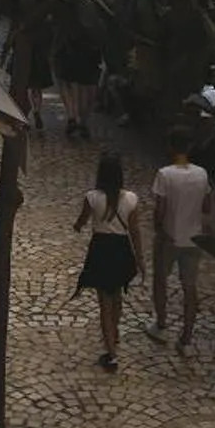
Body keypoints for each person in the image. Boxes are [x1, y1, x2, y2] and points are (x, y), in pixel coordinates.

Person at [145, 127, 215, 352]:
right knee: (190, 287)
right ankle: (186, 337)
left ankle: (161, 324)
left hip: (170, 237)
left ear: (170, 147)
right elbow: (207, 206)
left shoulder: (165, 174)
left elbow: (159, 210)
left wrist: (159, 230)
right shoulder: (201, 174)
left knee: (161, 280)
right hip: (194, 239)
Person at [71, 150, 141, 371]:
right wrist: (141, 260)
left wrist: (78, 226)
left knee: (104, 303)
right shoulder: (131, 199)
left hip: (101, 250)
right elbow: (136, 232)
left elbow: (81, 221)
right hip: (121, 250)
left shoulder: (92, 198)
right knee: (117, 293)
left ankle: (111, 353)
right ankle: (115, 331)